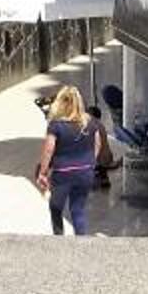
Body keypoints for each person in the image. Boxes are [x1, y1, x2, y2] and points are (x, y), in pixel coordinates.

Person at [35, 83, 114, 236]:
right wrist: (90, 163)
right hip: (85, 172)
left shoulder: (56, 125)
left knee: (56, 207)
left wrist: (43, 172)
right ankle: (81, 241)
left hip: (63, 173)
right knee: (78, 210)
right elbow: (97, 143)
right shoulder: (90, 122)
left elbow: (49, 149)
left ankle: (59, 238)